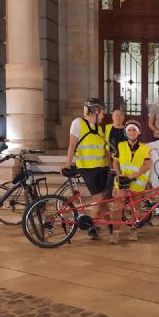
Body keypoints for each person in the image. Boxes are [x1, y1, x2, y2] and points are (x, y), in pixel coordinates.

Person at [63, 98, 111, 240]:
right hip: (88, 169)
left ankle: (110, 224)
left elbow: (103, 149)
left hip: (102, 168)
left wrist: (110, 164)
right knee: (99, 199)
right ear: (95, 111)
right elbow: (72, 145)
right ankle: (93, 226)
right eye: (102, 113)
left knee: (103, 200)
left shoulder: (99, 128)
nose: (103, 116)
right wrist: (68, 163)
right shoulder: (78, 123)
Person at [110, 120, 151, 243]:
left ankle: (134, 230)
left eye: (134, 130)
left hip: (137, 182)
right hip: (122, 181)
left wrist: (135, 175)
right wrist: (118, 174)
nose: (131, 132)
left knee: (135, 207)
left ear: (138, 133)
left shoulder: (145, 148)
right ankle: (116, 232)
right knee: (118, 206)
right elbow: (115, 161)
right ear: (126, 132)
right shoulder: (120, 145)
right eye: (129, 130)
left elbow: (147, 164)